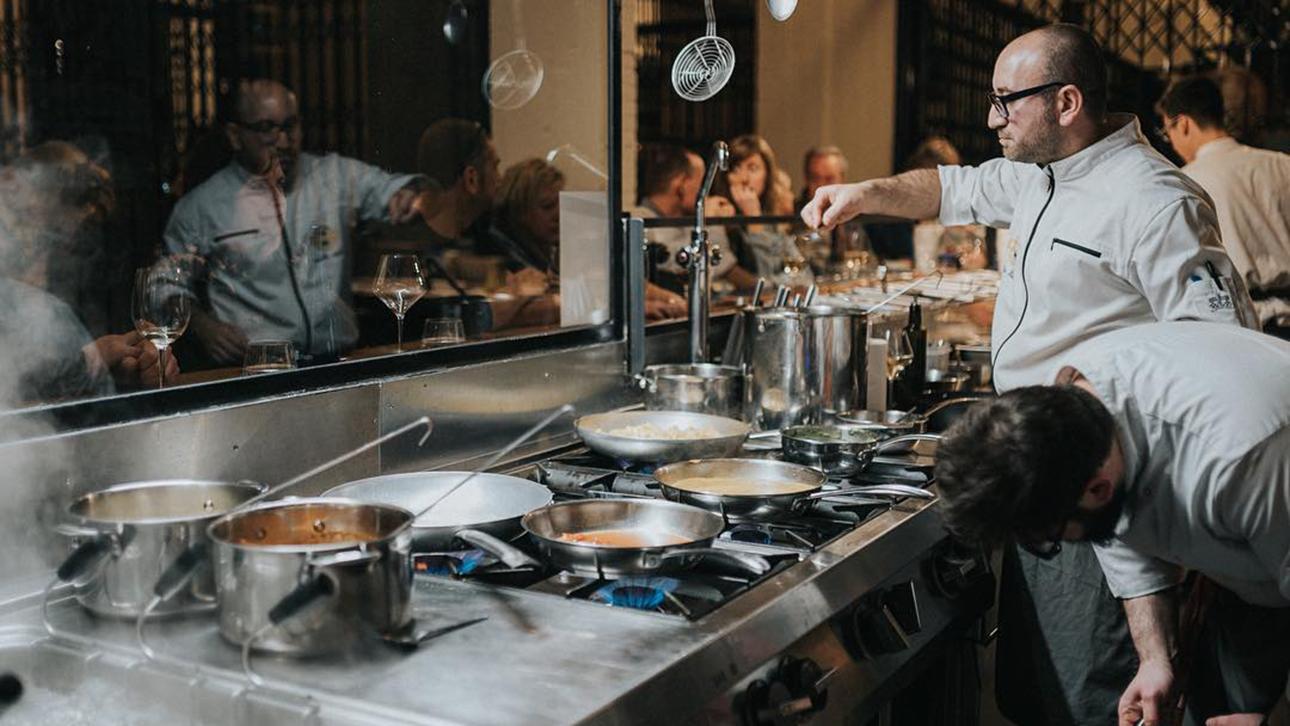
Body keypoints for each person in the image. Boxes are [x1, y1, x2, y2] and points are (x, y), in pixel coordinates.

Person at [802, 23, 1255, 726]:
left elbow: (1221, 350)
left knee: (1091, 694)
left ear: (1066, 101)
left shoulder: (1155, 199)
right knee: (1034, 690)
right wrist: (863, 192)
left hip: (1099, 483)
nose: (992, 118)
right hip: (1037, 464)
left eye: (1005, 101)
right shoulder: (1040, 172)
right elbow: (949, 187)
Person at [933, 321, 1290, 726]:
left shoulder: (1245, 459)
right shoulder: (1079, 414)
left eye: (1052, 537)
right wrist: (1155, 658)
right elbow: (1120, 527)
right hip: (1251, 570)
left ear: (1098, 490)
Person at [164, 79, 422, 366]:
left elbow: (397, 191)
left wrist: (410, 196)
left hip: (335, 359)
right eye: (266, 128)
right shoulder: (202, 206)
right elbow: (166, 285)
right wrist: (203, 326)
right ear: (235, 136)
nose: (284, 141)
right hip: (259, 366)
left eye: (290, 126)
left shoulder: (334, 177)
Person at [1157, 75, 1290, 338]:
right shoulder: (1282, 164)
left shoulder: (1183, 182)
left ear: (1183, 124)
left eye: (1167, 132)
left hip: (1242, 328)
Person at [634, 143, 756, 293]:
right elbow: (720, 268)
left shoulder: (684, 221)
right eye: (701, 183)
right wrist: (708, 221)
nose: (706, 192)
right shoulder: (641, 223)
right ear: (681, 184)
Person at [713, 134, 806, 282]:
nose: (744, 178)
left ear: (767, 175)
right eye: (735, 169)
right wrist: (753, 219)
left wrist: (755, 219)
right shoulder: (716, 214)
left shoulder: (773, 217)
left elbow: (801, 276)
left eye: (753, 169)